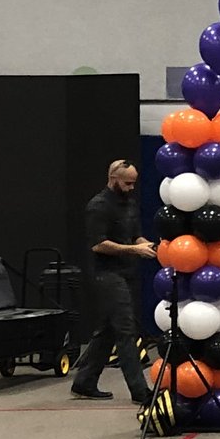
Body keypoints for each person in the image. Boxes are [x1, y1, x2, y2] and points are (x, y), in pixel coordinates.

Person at [69, 159, 155, 403]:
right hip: (106, 275)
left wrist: (146, 246)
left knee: (108, 330)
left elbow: (135, 236)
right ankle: (140, 391)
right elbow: (99, 244)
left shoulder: (129, 203)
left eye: (133, 183)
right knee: (126, 331)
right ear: (113, 178)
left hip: (126, 272)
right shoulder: (98, 206)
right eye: (127, 183)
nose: (131, 188)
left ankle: (84, 382)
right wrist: (134, 250)